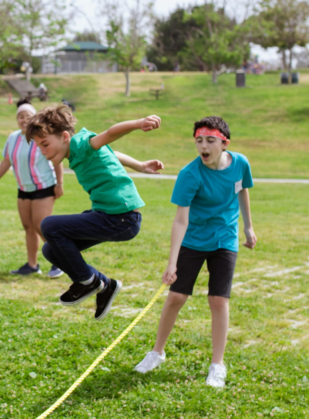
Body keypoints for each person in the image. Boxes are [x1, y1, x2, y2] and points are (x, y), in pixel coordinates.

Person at [134, 116, 256, 388]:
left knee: (218, 300)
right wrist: (172, 263)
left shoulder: (240, 164)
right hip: (194, 239)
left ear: (224, 143)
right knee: (176, 296)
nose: (204, 146)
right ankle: (156, 352)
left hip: (224, 239)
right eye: (199, 140)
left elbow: (242, 190)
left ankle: (217, 364)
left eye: (210, 140)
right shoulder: (190, 174)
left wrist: (248, 227)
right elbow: (180, 220)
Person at [27, 105, 164, 320]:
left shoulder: (81, 143)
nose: (42, 152)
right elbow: (112, 152)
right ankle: (104, 285)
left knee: (48, 225)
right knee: (50, 251)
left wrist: (138, 123)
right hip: (109, 216)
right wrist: (139, 165)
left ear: (64, 136)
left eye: (45, 144)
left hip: (122, 217)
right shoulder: (78, 153)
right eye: (39, 147)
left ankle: (88, 282)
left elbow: (110, 135)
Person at [0, 98, 64, 277]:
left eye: (27, 116)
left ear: (35, 118)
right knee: (28, 227)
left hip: (43, 187)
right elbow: (7, 161)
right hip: (23, 189)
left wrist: (60, 184)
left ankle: (59, 262)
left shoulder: (41, 136)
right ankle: (32, 265)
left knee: (41, 226)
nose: (23, 119)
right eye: (20, 116)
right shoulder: (13, 138)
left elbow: (56, 160)